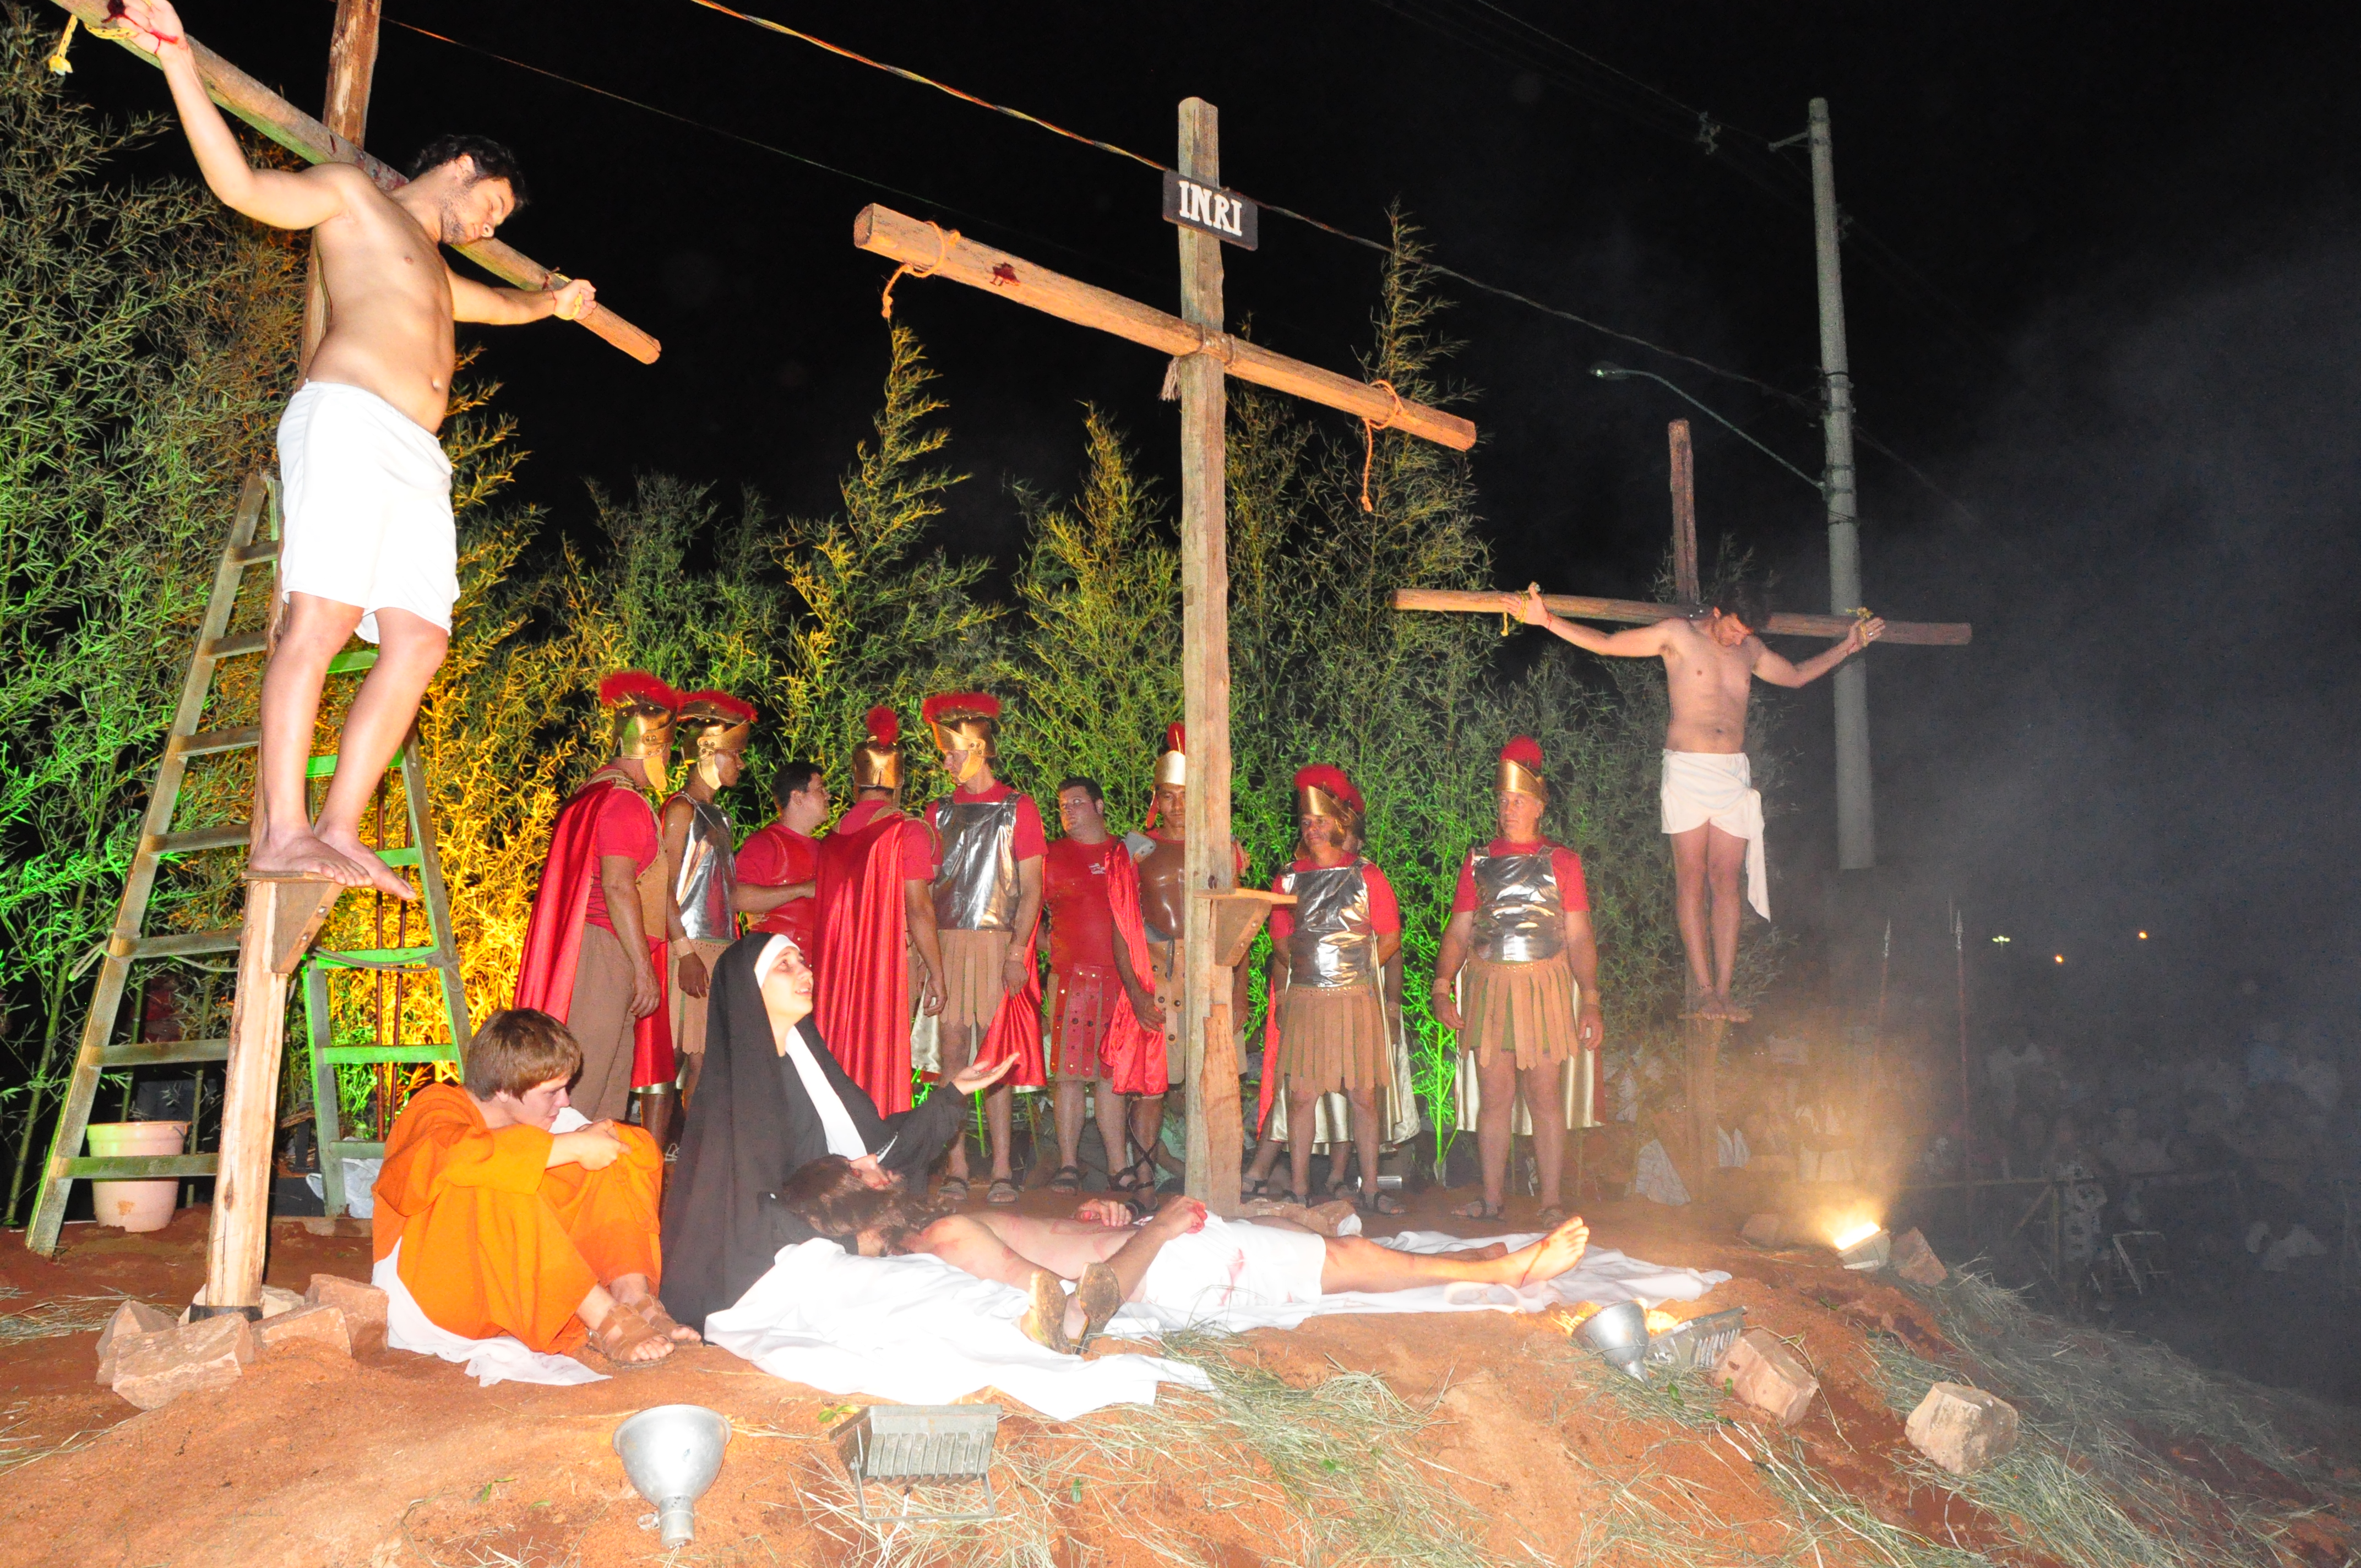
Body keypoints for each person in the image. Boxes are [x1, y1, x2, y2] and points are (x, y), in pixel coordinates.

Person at [115, 1, 596, 899]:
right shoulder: (353, 196)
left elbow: (504, 305)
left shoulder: (442, 275)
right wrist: (181, 64)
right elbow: (244, 191)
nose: (483, 229)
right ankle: (284, 829)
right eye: (485, 205)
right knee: (324, 617)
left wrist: (554, 301)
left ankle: (337, 823)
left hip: (417, 455)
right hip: (346, 420)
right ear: (455, 168)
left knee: (418, 640)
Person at [1511, 582, 1884, 1022]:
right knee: (1691, 876)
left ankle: (1724, 992)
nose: (1737, 639)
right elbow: (1609, 645)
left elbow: (1798, 675)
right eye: (1733, 629)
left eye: (1745, 634)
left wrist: (1849, 647)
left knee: (1725, 880)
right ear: (1717, 611)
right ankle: (1705, 990)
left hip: (1732, 774)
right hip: (1687, 770)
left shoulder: (1750, 650)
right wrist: (1547, 620)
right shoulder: (1678, 635)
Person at [780, 1156, 1595, 1353]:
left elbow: (1057, 1251)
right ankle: (1499, 1271)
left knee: (1323, 1253)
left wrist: (1110, 1216)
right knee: (1345, 1265)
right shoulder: (947, 1239)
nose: (877, 1164)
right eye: (862, 1169)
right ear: (860, 1195)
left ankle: (1481, 1253)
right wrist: (1158, 1230)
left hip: (1163, 1258)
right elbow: (1082, 1307)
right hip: (1173, 1266)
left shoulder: (934, 1236)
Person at [661, 933, 1016, 1334]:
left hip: (849, 1226)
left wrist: (953, 1094)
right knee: (957, 1238)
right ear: (751, 988)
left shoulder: (809, 1064)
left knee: (997, 1228)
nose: (804, 971)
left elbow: (880, 1150)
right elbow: (755, 1215)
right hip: (796, 1262)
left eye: (802, 960)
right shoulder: (742, 1090)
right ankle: (1064, 1312)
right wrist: (853, 1243)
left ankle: (1078, 1293)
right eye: (785, 965)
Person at [372, 1008, 685, 1365]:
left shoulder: (535, 1115)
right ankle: (602, 1320)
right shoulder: (434, 1107)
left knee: (624, 1147)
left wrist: (584, 1145)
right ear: (504, 1089)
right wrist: (573, 1147)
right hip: (433, 1295)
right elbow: (454, 1156)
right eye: (552, 1092)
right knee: (491, 1178)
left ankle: (632, 1298)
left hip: (503, 1286)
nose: (565, 1101)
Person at [1429, 737, 1605, 1224]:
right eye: (1503, 800)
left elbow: (1579, 936)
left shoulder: (1562, 861)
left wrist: (1590, 1000)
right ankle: (1492, 1199)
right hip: (1488, 985)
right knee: (1495, 1096)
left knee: (1545, 1095)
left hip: (1545, 986)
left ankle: (1551, 1201)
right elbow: (1460, 929)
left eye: (1519, 800)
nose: (1509, 809)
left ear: (1539, 806)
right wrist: (1442, 986)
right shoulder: (1478, 860)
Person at [515, 673, 678, 1128]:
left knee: (601, 1079)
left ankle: (592, 1192)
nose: (668, 760)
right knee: (586, 1086)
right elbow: (618, 886)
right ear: (650, 748)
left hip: (591, 948)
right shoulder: (623, 803)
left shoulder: (588, 797)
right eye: (666, 751)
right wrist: (643, 967)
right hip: (606, 949)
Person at [1249, 766, 1405, 1214]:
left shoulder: (1366, 875)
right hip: (1307, 999)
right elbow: (1280, 941)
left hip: (1355, 998)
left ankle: (1371, 1188)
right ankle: (1300, 1190)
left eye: (1320, 820)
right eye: (1305, 822)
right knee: (1301, 1095)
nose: (1311, 828)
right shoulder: (1287, 878)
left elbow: (1390, 937)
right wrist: (1306, 971)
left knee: (1363, 1095)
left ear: (1340, 822)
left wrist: (1350, 969)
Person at [921, 693, 1048, 1206]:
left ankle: (999, 1168)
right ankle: (955, 1166)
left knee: (995, 1058)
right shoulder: (937, 811)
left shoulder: (1020, 807)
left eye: (952, 753)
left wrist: (1019, 952)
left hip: (999, 943)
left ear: (978, 748)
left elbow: (1033, 887)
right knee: (952, 1053)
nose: (946, 762)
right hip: (949, 944)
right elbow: (924, 888)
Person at [1125, 724, 1248, 1182]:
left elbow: (1241, 925)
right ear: (1157, 797)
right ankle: (1143, 1183)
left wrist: (1240, 992)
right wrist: (1135, 992)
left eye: (1184, 795)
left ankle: (1214, 1179)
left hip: (1209, 969)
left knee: (1214, 1081)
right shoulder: (1138, 845)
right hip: (1157, 971)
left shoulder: (1220, 847)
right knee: (1151, 1086)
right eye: (1168, 796)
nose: (1176, 805)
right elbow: (1122, 922)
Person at [812, 707, 946, 1115]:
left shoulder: (831, 838)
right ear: (899, 780)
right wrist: (937, 973)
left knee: (838, 1053)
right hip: (888, 966)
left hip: (836, 970)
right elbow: (919, 909)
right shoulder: (907, 830)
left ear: (856, 781)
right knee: (883, 1055)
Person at [1040, 778, 1163, 1196]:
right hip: (1070, 978)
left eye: (1076, 803)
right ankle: (1069, 1165)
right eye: (1062, 806)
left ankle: (1118, 1166)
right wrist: (1053, 951)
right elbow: (1024, 915)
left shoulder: (1129, 852)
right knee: (1069, 1078)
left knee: (1112, 1076)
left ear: (1099, 804)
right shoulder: (1049, 856)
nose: (1068, 811)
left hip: (1123, 979)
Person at [660, 691, 756, 1108]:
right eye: (735, 754)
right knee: (672, 1056)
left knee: (707, 1060)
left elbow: (727, 892)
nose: (740, 763)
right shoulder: (681, 810)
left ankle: (692, 1156)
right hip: (689, 947)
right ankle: (655, 1153)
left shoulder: (720, 815)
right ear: (707, 752)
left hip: (719, 948)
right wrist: (684, 952)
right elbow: (661, 886)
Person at [734, 761, 831, 956]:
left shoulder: (827, 849)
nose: (828, 795)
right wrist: (802, 889)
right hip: (778, 966)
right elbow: (739, 898)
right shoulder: (765, 843)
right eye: (820, 789)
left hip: (820, 966)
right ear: (797, 798)